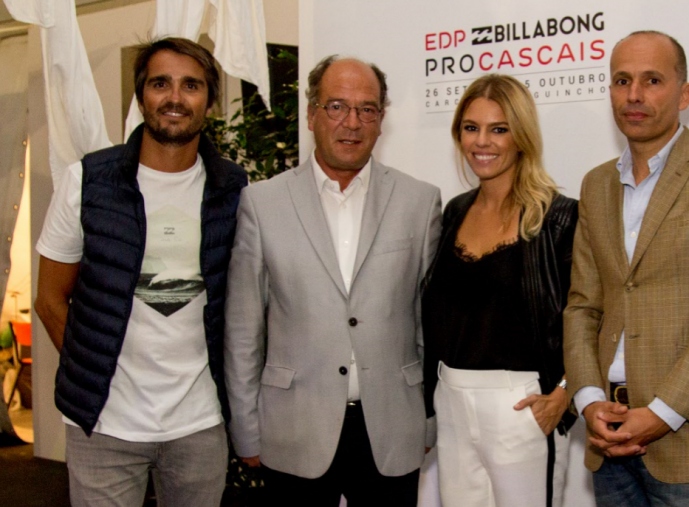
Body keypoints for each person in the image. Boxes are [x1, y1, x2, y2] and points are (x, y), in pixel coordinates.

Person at [33, 38, 247, 506]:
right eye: (160, 84)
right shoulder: (87, 181)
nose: (175, 98)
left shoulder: (235, 190)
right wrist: (94, 372)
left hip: (199, 424)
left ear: (210, 101)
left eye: (191, 85)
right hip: (104, 425)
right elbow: (49, 299)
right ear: (141, 96)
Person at [563, 30, 689, 506]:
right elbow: (582, 306)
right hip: (607, 433)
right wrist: (589, 400)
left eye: (652, 80)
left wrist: (662, 412)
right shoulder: (597, 184)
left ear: (685, 94)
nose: (634, 95)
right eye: (622, 81)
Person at [224, 55, 442, 506]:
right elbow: (244, 330)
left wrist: (427, 418)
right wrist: (246, 427)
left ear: (381, 120)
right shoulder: (262, 203)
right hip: (293, 428)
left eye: (367, 109)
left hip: (391, 428)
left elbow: (429, 324)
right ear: (311, 114)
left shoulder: (419, 202)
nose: (352, 122)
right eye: (337, 106)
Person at [421, 74, 578, 507]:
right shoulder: (455, 211)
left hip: (522, 404)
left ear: (521, 136)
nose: (482, 142)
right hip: (451, 400)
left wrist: (565, 392)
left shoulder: (558, 218)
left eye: (499, 129)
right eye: (471, 128)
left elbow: (591, 316)